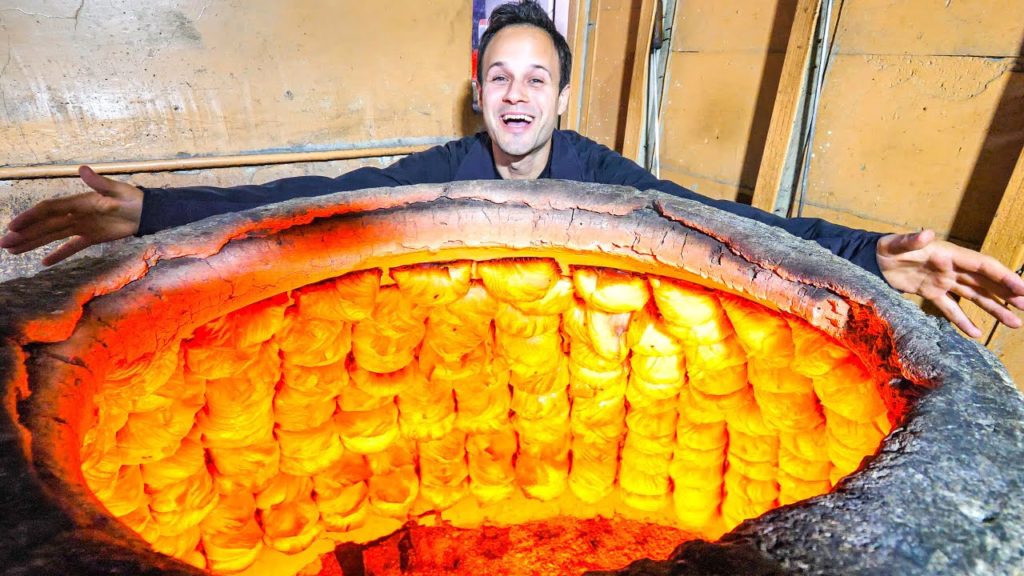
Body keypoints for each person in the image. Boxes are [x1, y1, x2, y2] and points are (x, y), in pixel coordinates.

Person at [2, 0, 1022, 338]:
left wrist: (870, 254)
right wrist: (154, 213)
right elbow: (305, 206)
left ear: (561, 98)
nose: (518, 95)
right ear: (479, 90)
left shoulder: (600, 172)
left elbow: (729, 219)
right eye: (501, 76)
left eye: (537, 78)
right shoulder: (443, 169)